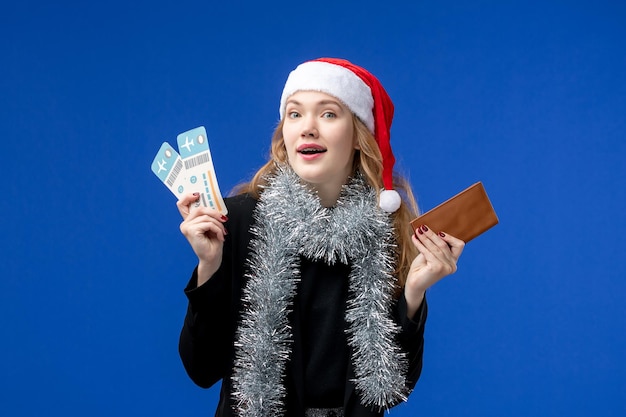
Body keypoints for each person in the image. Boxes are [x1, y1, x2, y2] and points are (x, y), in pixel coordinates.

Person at [176, 58, 465, 417]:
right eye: (295, 115)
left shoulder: (387, 231)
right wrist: (209, 266)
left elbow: (390, 391)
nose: (307, 128)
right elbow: (201, 369)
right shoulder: (236, 221)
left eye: (328, 114)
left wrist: (412, 296)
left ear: (359, 136)